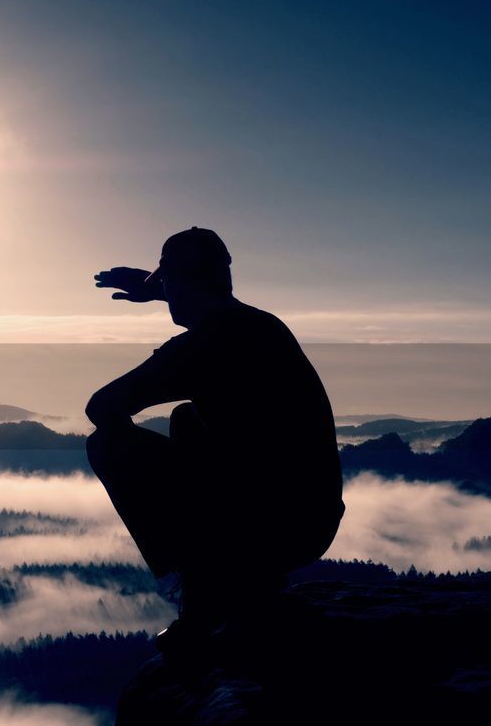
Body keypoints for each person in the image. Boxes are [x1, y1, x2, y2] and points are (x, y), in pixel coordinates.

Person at [85, 227, 344, 652]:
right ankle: (242, 578)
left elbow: (101, 408)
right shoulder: (260, 326)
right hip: (311, 521)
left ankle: (200, 596)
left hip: (271, 526)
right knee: (187, 418)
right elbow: (210, 314)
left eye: (167, 281)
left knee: (107, 444)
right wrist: (163, 292)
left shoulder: (200, 346)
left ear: (181, 282)